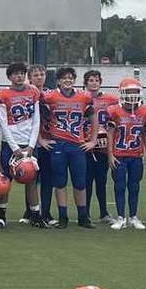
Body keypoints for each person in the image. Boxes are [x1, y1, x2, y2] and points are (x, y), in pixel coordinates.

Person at [41, 67, 99, 229]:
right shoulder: (50, 97)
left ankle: (83, 217)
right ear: (58, 81)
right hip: (58, 143)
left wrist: (93, 140)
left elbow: (94, 119)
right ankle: (63, 217)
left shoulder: (83, 97)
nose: (68, 80)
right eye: (64, 78)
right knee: (60, 182)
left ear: (74, 80)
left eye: (70, 78)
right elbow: (39, 118)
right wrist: (41, 140)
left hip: (77, 145)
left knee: (80, 182)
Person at [0, 62, 44, 228]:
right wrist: (15, 148)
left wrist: (30, 146)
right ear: (9, 77)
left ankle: (35, 215)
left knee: (31, 179)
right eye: (15, 74)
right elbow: (3, 123)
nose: (19, 76)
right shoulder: (3, 94)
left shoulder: (33, 92)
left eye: (22, 73)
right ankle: (1, 216)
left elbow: (37, 120)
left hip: (28, 143)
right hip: (10, 143)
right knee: (5, 180)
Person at [106, 77, 146, 230]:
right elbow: (110, 134)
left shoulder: (145, 111)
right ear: (122, 93)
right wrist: (110, 155)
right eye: (129, 91)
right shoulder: (114, 111)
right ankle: (121, 217)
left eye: (135, 91)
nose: (132, 94)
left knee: (134, 186)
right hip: (119, 155)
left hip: (136, 155)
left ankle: (133, 216)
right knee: (119, 186)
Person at [83, 70, 118, 223]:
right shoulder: (81, 98)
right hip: (86, 143)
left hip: (103, 145)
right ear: (85, 83)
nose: (94, 83)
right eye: (91, 80)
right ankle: (86, 212)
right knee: (87, 180)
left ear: (100, 82)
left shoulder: (110, 99)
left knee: (101, 180)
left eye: (96, 80)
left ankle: (104, 212)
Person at [28, 64, 56, 225]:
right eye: (36, 74)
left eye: (42, 74)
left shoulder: (50, 95)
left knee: (47, 179)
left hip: (48, 141)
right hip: (30, 141)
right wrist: (38, 139)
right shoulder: (26, 94)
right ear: (30, 77)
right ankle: (31, 211)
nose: (39, 77)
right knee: (30, 177)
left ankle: (45, 212)